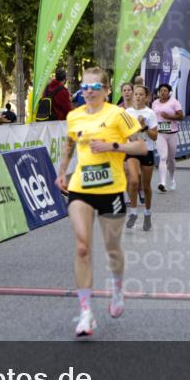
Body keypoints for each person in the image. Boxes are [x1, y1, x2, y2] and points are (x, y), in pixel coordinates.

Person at [56, 68, 146, 337]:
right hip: (81, 188)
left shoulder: (118, 115)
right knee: (83, 247)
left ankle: (117, 288)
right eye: (85, 86)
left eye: (95, 87)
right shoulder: (74, 115)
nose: (89, 90)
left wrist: (113, 148)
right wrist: (62, 171)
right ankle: (86, 313)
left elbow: (140, 147)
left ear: (107, 90)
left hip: (112, 189)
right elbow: (69, 145)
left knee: (112, 249)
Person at [125, 85, 158, 231]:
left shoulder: (150, 113)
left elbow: (155, 136)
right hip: (132, 149)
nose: (137, 97)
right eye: (136, 94)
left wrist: (144, 126)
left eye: (140, 94)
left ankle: (147, 213)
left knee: (146, 186)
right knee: (133, 181)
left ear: (146, 97)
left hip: (147, 150)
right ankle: (133, 212)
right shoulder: (127, 112)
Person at [152, 83, 183, 192]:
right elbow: (153, 117)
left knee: (171, 158)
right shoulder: (155, 103)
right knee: (163, 157)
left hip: (172, 133)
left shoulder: (174, 102)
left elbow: (181, 116)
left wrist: (169, 116)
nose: (163, 92)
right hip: (160, 133)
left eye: (165, 90)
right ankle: (162, 182)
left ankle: (172, 178)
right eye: (161, 91)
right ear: (158, 92)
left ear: (169, 92)